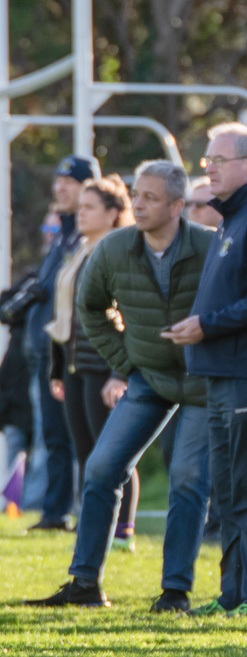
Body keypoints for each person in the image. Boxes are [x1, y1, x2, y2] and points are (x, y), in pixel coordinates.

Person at [25, 160, 213, 611]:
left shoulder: (210, 247)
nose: (139, 203)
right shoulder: (114, 248)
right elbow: (90, 309)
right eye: (137, 194)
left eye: (150, 197)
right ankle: (85, 584)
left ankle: (175, 591)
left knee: (187, 479)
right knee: (101, 469)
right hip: (146, 377)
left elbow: (241, 305)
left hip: (202, 384)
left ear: (176, 205)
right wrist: (125, 362)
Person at [161, 123, 247, 619]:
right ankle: (233, 593)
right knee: (230, 489)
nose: (208, 167)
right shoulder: (232, 220)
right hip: (219, 374)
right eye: (207, 160)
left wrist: (207, 326)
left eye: (218, 159)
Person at [44, 175, 140, 553]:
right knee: (87, 452)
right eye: (80, 206)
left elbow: (127, 314)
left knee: (113, 451)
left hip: (104, 366)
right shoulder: (81, 248)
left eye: (89, 207)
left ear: (113, 213)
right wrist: (57, 368)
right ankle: (94, 525)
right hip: (76, 366)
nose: (80, 213)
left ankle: (124, 529)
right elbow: (62, 315)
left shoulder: (118, 250)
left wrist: (118, 373)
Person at [23, 156, 98, 531]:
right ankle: (54, 512)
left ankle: (86, 512)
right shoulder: (62, 233)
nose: (60, 188)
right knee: (53, 435)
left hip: (79, 355)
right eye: (58, 181)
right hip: (47, 350)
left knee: (80, 437)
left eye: (69, 182)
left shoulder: (87, 237)